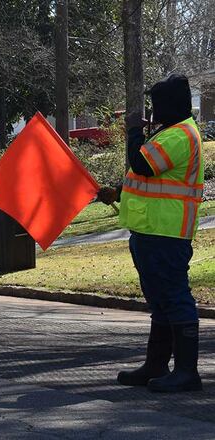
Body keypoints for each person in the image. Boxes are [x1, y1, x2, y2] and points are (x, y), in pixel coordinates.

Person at [98, 73, 204, 393]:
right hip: (151, 232)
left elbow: (143, 164)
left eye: (156, 106)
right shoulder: (169, 133)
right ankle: (156, 365)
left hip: (166, 233)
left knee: (174, 298)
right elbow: (145, 177)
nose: (152, 114)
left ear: (170, 105)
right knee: (160, 300)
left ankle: (187, 372)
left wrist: (132, 130)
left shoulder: (181, 134)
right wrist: (117, 192)